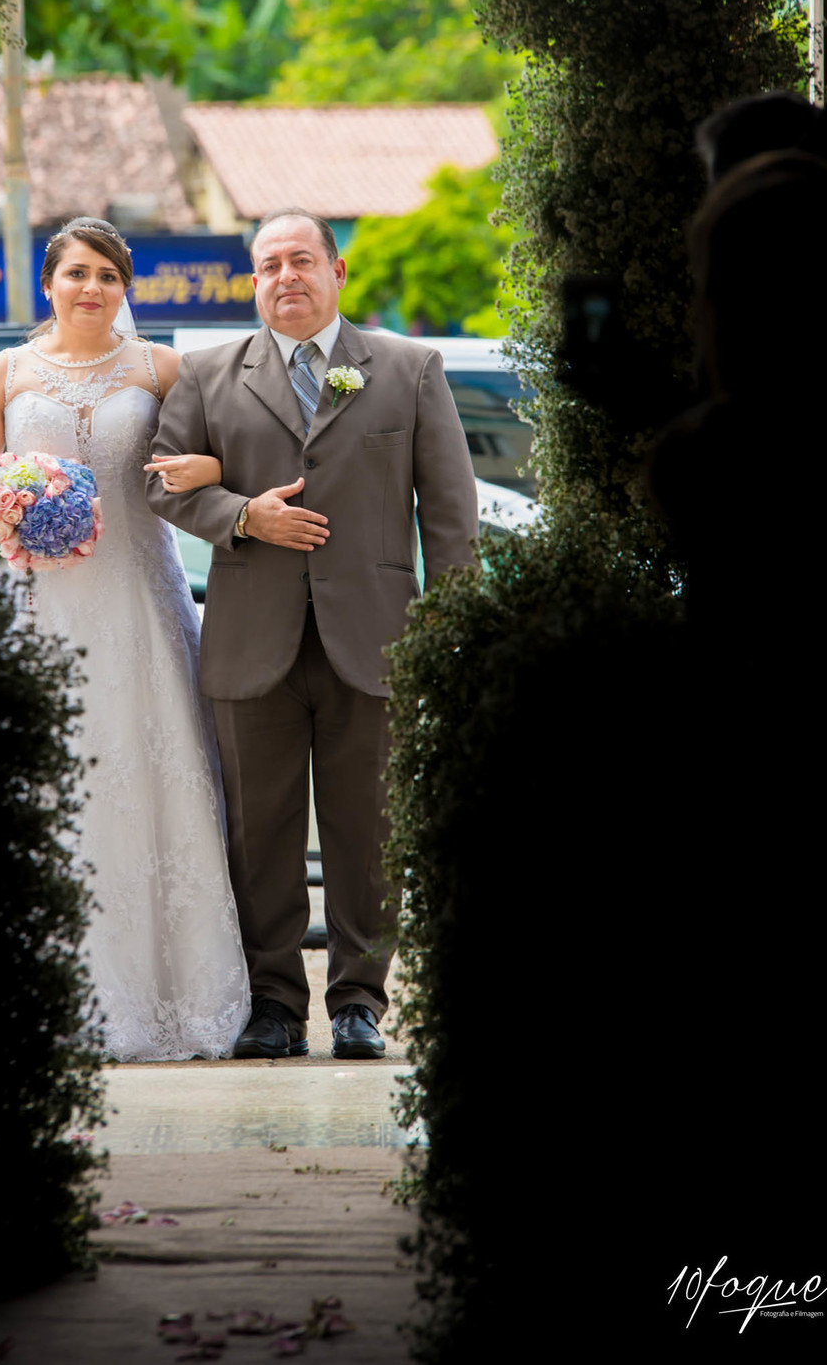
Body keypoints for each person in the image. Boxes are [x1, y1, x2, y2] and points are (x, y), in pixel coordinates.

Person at [145, 209, 479, 1061]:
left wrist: (454, 633)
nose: (284, 276)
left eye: (301, 261)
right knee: (259, 836)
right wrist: (243, 515)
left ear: (338, 273)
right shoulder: (210, 375)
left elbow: (448, 517)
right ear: (252, 281)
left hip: (374, 641)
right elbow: (165, 484)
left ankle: (362, 1001)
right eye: (267, 265)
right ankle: (274, 1004)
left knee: (368, 831)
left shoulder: (408, 368)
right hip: (250, 644)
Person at [0, 217, 250, 1062]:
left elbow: (223, 456)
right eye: (77, 273)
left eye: (109, 276)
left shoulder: (162, 369)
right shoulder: (5, 374)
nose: (92, 289)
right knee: (47, 785)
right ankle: (47, 995)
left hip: (138, 601)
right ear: (48, 282)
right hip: (38, 606)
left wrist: (209, 473)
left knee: (154, 778)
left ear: (127, 288)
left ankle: (170, 1000)